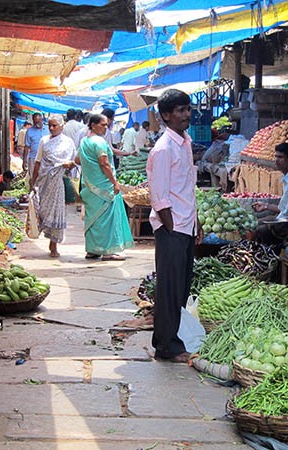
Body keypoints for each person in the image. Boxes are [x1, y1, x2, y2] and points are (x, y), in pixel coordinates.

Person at [147, 89, 202, 363]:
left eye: (187, 109)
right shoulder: (163, 148)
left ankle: (170, 338)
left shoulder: (185, 142)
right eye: (179, 111)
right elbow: (160, 195)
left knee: (180, 288)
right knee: (169, 289)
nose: (185, 115)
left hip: (185, 224)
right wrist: (171, 228)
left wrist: (196, 223)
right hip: (172, 227)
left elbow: (186, 188)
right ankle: (166, 347)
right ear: (166, 115)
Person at [74, 114, 133, 261]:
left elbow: (77, 160)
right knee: (108, 218)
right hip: (104, 187)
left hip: (89, 186)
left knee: (93, 218)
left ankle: (92, 250)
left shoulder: (84, 142)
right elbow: (104, 163)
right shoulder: (99, 142)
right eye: (103, 124)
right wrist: (114, 182)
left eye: (107, 125)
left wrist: (91, 167)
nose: (106, 128)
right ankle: (109, 251)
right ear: (93, 125)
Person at [29, 115, 77, 258]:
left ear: (62, 126)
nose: (51, 128)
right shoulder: (44, 141)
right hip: (44, 181)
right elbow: (38, 162)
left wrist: (69, 164)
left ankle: (53, 244)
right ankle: (43, 233)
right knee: (42, 211)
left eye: (54, 125)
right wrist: (33, 181)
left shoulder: (68, 142)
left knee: (56, 211)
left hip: (58, 182)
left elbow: (75, 161)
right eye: (49, 125)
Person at [23, 112, 49, 177]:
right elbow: (26, 147)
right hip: (33, 158)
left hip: (45, 159)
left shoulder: (48, 129)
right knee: (33, 177)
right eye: (35, 122)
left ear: (41, 120)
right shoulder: (29, 131)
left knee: (44, 178)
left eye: (38, 122)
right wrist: (24, 160)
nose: (37, 124)